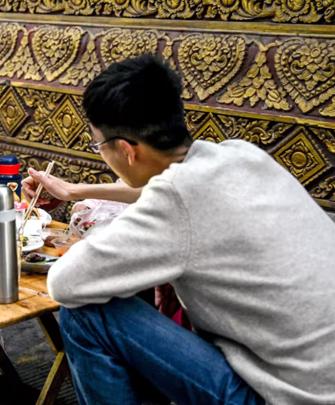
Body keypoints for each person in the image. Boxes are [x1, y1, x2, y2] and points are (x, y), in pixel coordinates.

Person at [22, 54, 335, 404]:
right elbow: (177, 199)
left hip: (284, 397)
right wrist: (76, 192)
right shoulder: (241, 155)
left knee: (85, 314)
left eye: (99, 145)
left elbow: (64, 282)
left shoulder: (174, 198)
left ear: (126, 150)